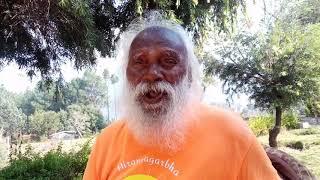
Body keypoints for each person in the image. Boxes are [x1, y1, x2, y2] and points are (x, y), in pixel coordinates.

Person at [83, 13, 280, 180]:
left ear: (189, 74)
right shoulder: (106, 142)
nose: (152, 74)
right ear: (126, 75)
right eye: (140, 62)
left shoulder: (233, 135)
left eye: (168, 61)